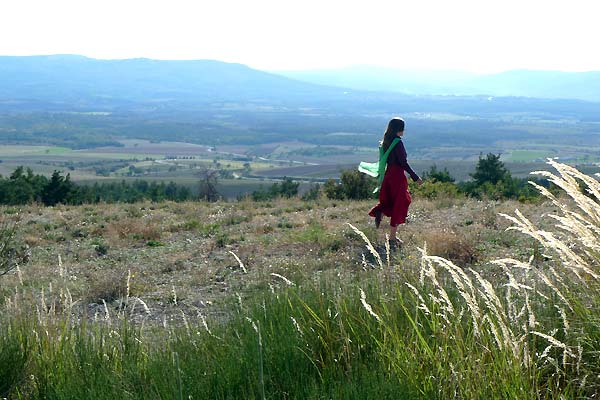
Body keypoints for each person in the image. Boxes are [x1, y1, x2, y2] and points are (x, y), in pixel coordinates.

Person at [368, 117, 423, 246]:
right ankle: (392, 238)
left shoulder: (386, 142)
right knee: (400, 203)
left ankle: (379, 211)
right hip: (397, 176)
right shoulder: (398, 143)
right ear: (400, 129)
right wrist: (415, 177)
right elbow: (403, 163)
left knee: (391, 201)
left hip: (389, 175)